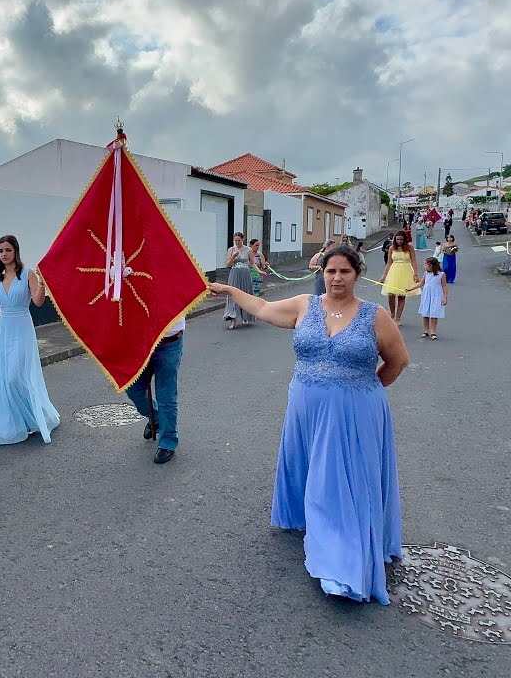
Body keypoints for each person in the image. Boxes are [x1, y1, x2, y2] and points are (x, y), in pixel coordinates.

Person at [207, 244, 409, 604]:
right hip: (305, 405)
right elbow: (263, 308)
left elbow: (397, 361)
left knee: (337, 482)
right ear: (322, 273)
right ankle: (308, 523)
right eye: (330, 271)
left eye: (344, 272)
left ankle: (340, 561)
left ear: (358, 275)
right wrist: (229, 290)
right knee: (311, 470)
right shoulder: (305, 305)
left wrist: (363, 392)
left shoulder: (374, 315)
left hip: (354, 411)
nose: (336, 278)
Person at [0, 235, 60, 446]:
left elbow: (38, 302)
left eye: (7, 250)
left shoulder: (27, 274)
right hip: (4, 331)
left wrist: (42, 283)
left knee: (16, 377)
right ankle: (23, 421)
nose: (4, 254)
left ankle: (35, 417)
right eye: (0, 251)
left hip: (22, 329)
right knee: (5, 379)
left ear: (16, 251)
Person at [126, 318, 186, 465]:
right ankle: (156, 418)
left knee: (166, 396)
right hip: (140, 341)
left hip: (169, 342)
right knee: (133, 389)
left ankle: (168, 441)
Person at [379, 231, 420, 326]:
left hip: (406, 271)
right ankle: (392, 313)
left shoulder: (409, 248)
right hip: (394, 271)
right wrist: (384, 275)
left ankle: (398, 318)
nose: (400, 241)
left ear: (404, 239)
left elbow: (414, 261)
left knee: (402, 295)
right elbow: (389, 263)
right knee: (391, 294)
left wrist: (416, 274)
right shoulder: (391, 248)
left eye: (401, 239)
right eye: (398, 239)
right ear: (395, 239)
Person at [412, 256, 449, 340]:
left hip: (436, 295)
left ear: (431, 265)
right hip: (427, 295)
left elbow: (444, 286)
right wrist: (411, 288)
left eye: (426, 265)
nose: (424, 266)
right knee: (425, 313)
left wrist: (445, 297)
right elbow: (421, 283)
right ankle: (426, 330)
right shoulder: (426, 274)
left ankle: (433, 331)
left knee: (434, 313)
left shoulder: (441, 274)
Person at [223, 232, 255, 328]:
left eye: (239, 240)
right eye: (235, 240)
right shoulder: (231, 250)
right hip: (234, 273)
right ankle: (233, 320)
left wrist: (259, 271)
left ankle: (246, 316)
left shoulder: (248, 249)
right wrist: (233, 256)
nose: (237, 242)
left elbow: (252, 263)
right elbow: (228, 264)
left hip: (245, 274)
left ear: (243, 239)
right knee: (233, 295)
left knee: (245, 294)